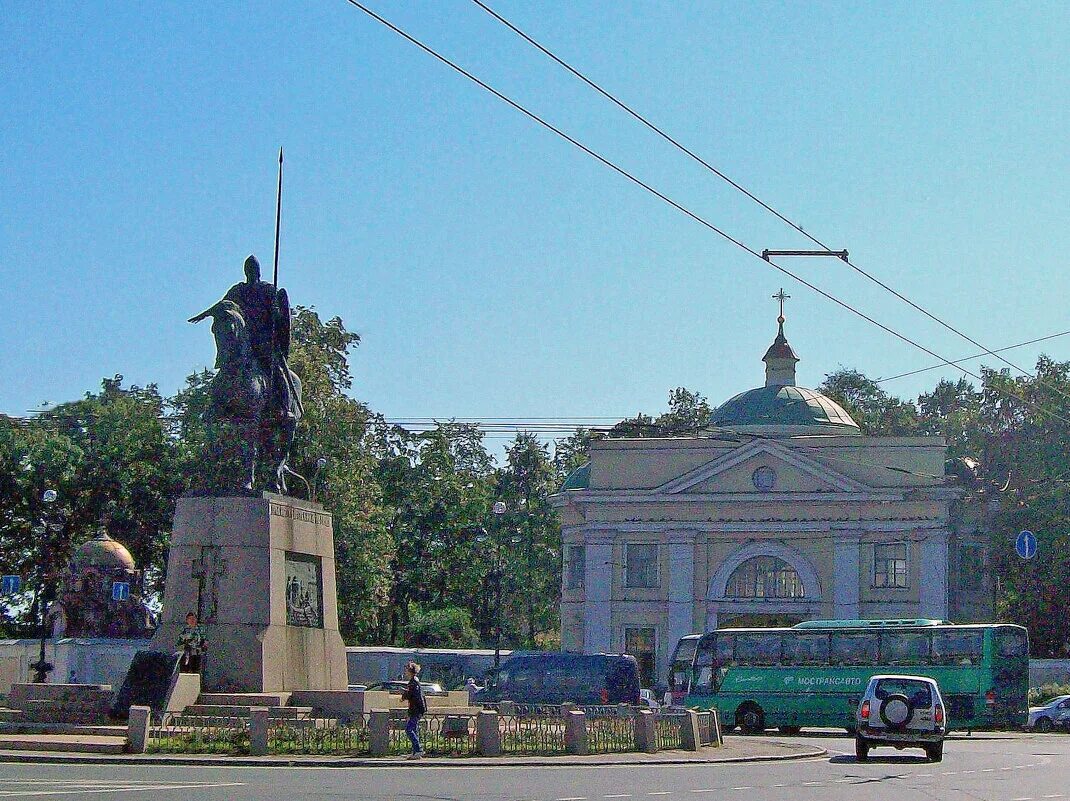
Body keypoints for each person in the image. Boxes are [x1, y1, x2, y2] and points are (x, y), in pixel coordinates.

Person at [400, 661, 426, 759]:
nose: (405, 672)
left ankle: (418, 749)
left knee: (409, 730)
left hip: (416, 710)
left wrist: (404, 694)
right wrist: (406, 693)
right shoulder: (414, 681)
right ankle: (416, 753)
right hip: (416, 709)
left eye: (406, 669)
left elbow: (414, 696)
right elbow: (413, 694)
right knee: (414, 730)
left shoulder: (413, 682)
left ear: (410, 671)